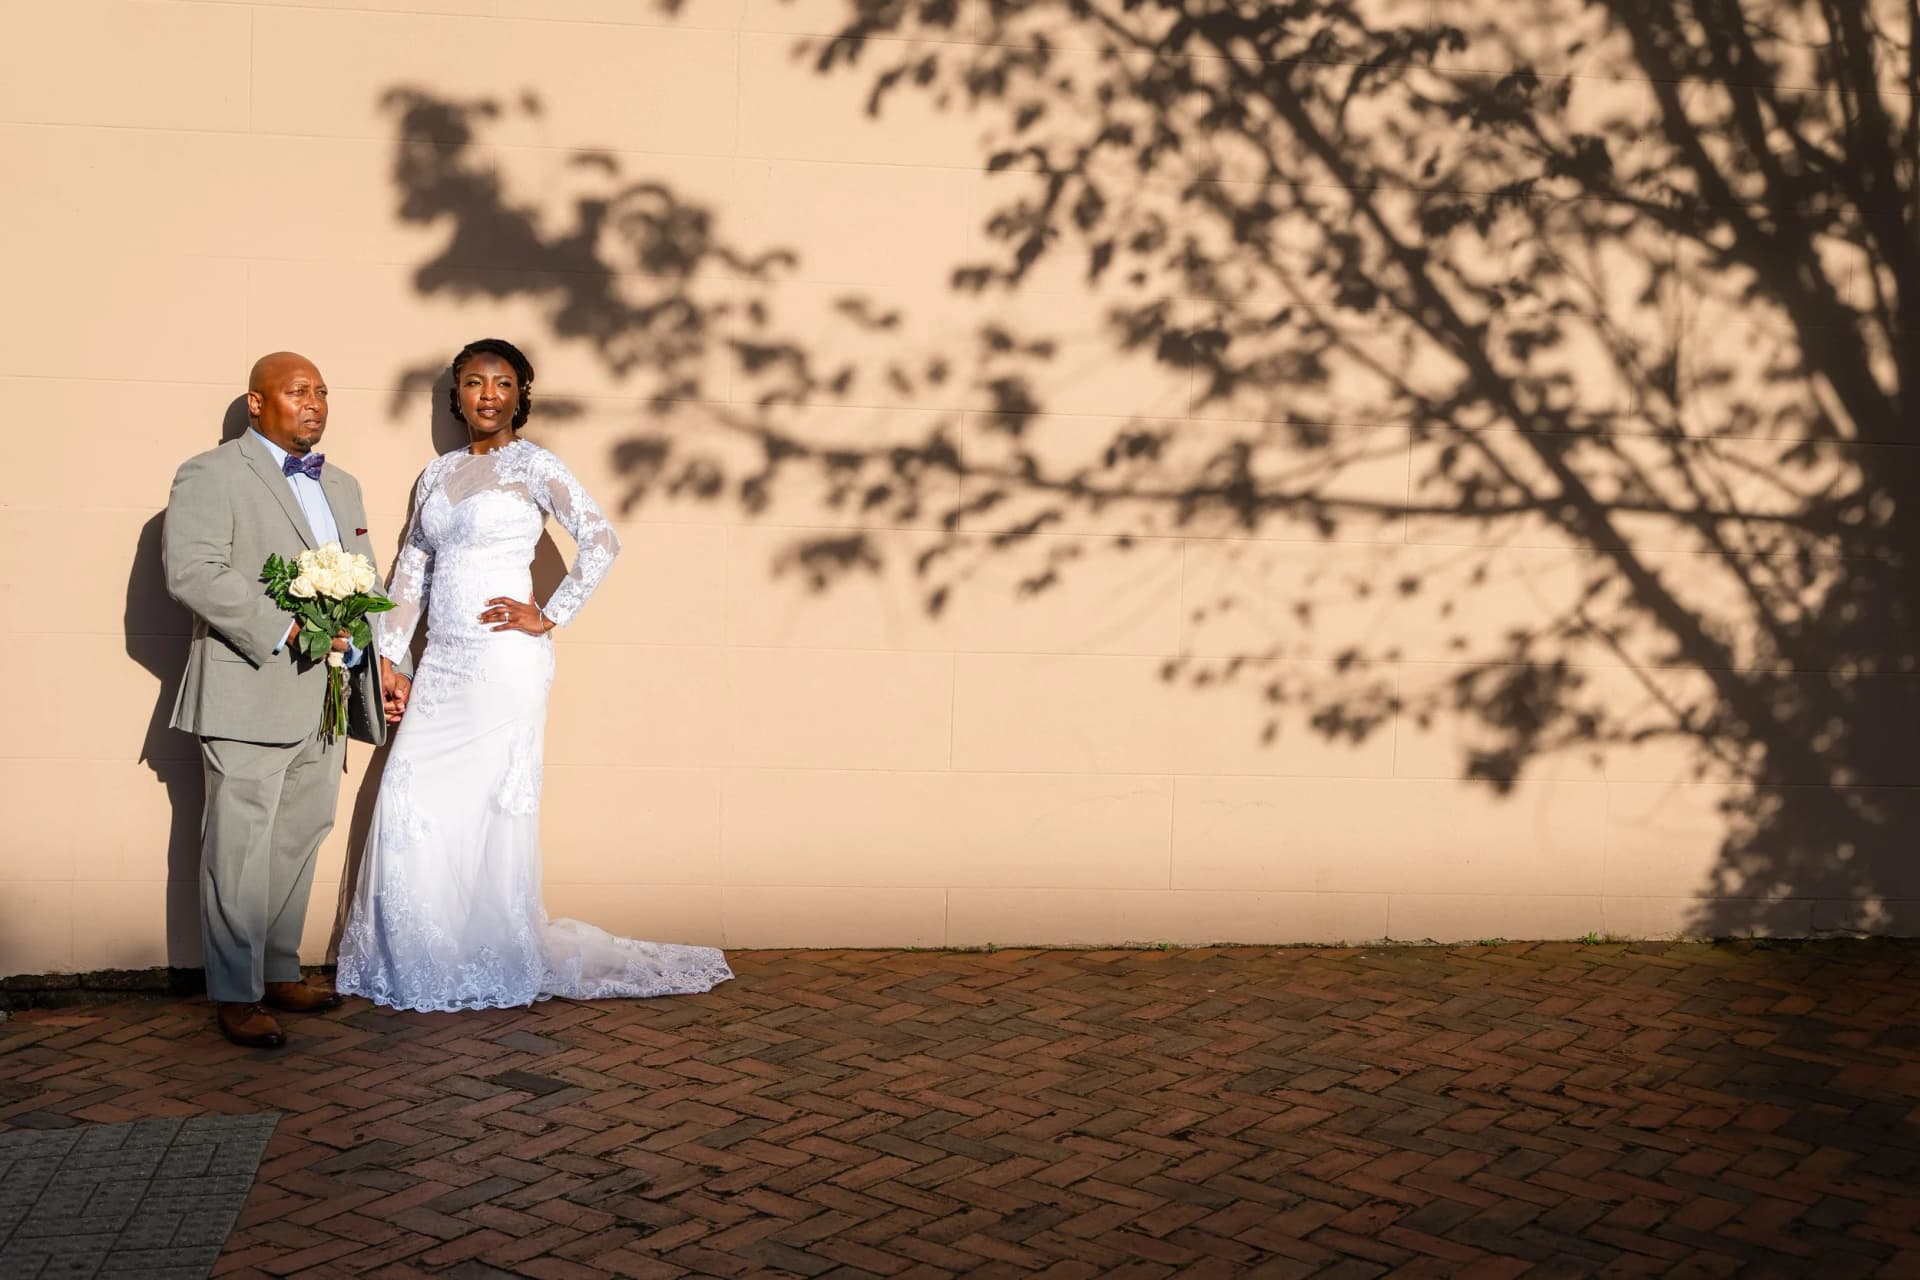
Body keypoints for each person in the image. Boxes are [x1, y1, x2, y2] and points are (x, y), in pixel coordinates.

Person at [334, 338, 733, 1010]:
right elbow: (411, 571)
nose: (487, 394)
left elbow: (602, 538)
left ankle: (489, 956)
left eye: (502, 383)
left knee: (490, 811)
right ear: (456, 395)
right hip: (442, 665)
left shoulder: (535, 466)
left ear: (522, 394)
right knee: (408, 798)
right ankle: (421, 956)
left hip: (503, 666)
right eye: (472, 382)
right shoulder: (435, 476)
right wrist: (391, 661)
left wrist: (549, 614)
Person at [164, 352, 406, 1048]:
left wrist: (385, 659)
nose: (315, 404)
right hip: (248, 690)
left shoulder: (346, 484)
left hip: (329, 695)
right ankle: (235, 994)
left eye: (323, 393)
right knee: (238, 848)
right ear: (256, 403)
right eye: (299, 392)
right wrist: (287, 628)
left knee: (300, 839)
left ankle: (276, 969)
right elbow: (194, 570)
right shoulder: (210, 474)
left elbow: (369, 579)